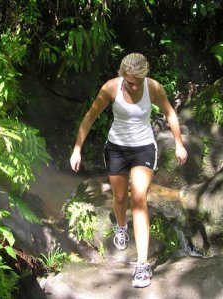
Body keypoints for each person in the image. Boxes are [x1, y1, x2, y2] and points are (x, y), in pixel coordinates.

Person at [70, 53, 188, 288]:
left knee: (139, 199)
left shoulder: (153, 88)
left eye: (137, 82)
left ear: (144, 76)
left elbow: (169, 113)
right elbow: (89, 118)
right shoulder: (111, 88)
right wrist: (77, 149)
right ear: (121, 74)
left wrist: (179, 143)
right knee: (120, 197)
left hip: (144, 148)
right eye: (128, 81)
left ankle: (142, 264)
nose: (132, 86)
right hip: (116, 148)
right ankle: (121, 227)